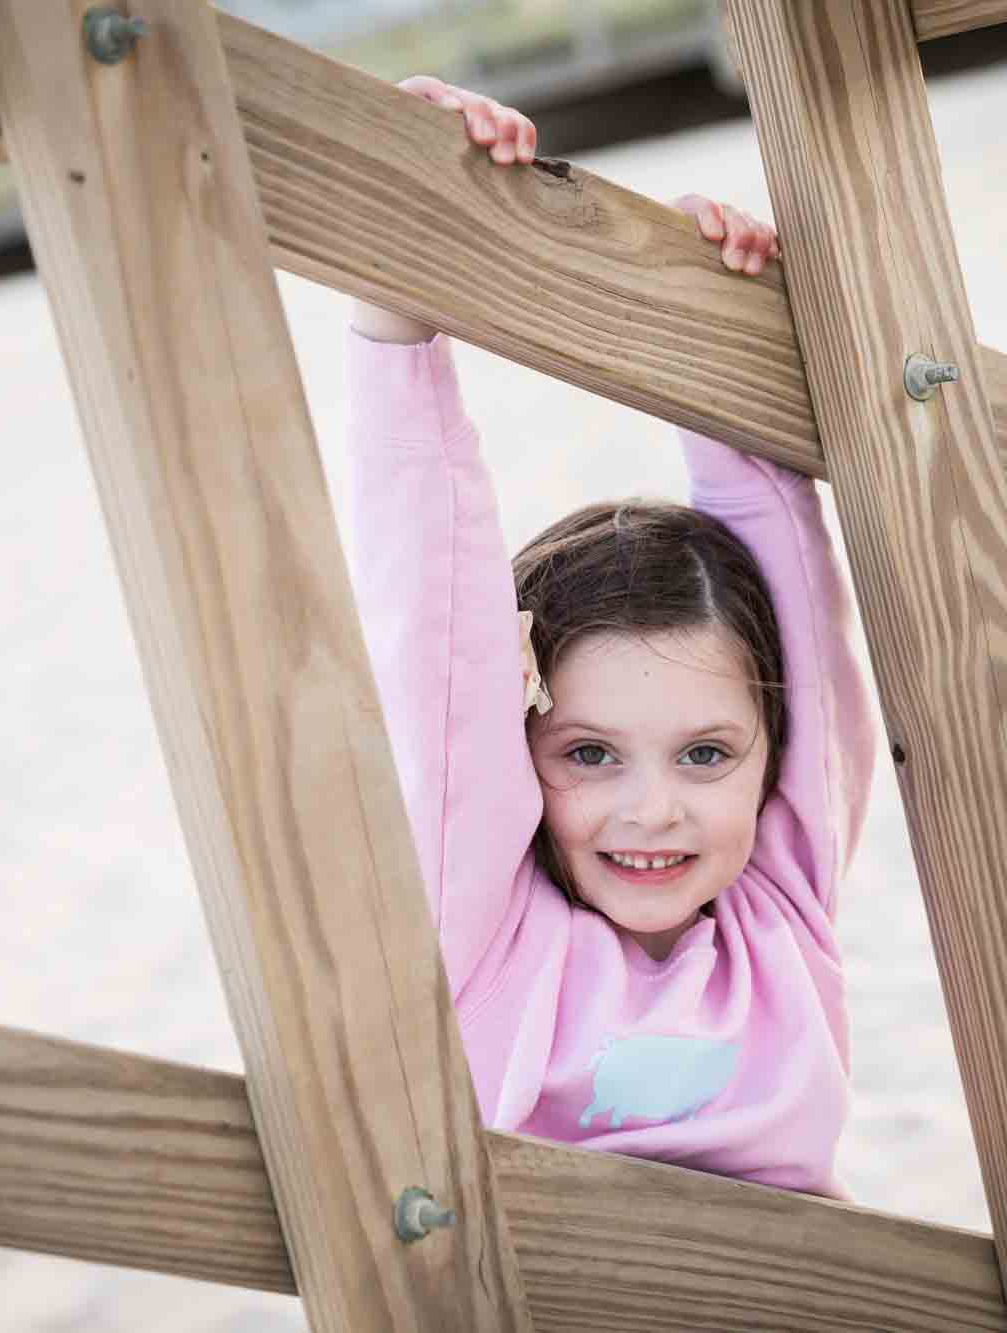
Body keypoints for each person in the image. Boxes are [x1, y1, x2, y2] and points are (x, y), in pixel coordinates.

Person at [348, 77, 875, 1196]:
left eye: (705, 753)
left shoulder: (778, 902)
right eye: (587, 753)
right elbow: (435, 633)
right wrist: (397, 300)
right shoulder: (481, 932)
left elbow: (803, 615)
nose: (652, 810)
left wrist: (715, 330)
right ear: (517, 753)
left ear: (770, 756)